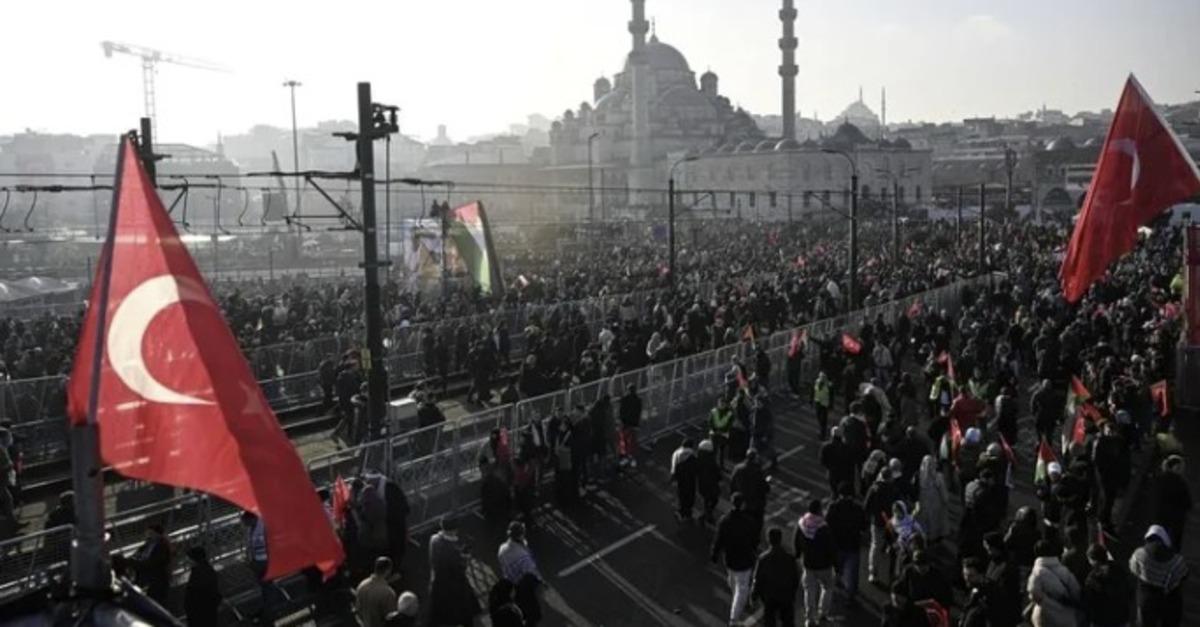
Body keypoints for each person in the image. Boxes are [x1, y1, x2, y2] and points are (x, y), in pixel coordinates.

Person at [711, 493, 760, 625]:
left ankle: (738, 603)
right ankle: (734, 618)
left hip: (730, 558)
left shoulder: (724, 521)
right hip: (744, 559)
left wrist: (714, 555)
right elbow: (755, 540)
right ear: (743, 504)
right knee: (742, 588)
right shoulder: (749, 521)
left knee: (733, 581)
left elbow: (718, 540)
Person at [1128, 525, 1188, 627]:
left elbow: (1133, 569)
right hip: (1167, 598)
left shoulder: (1139, 554)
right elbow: (1182, 576)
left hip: (1145, 595)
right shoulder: (1177, 561)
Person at [428, 517, 481, 627]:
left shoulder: (434, 539)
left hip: (439, 584)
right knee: (464, 611)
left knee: (446, 614)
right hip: (455, 586)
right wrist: (465, 557)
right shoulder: (453, 551)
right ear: (454, 530)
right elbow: (460, 569)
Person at [794, 498, 835, 627]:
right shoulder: (823, 527)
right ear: (819, 510)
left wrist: (798, 554)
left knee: (809, 591)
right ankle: (823, 613)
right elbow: (830, 546)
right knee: (827, 587)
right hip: (824, 564)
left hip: (808, 563)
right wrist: (835, 563)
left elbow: (796, 541)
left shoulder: (802, 523)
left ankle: (810, 618)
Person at [825, 483, 866, 608]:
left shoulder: (833, 507)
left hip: (837, 544)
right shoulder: (858, 508)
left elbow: (827, 524)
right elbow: (864, 525)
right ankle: (850, 597)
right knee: (852, 574)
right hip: (853, 544)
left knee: (837, 568)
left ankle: (836, 584)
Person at [1027, 539, 1081, 627]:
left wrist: (1047, 602)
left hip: (1046, 616)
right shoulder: (1064, 570)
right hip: (1067, 615)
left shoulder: (1037, 572)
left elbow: (1034, 594)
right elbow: (1076, 590)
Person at [751, 527, 799, 627]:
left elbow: (758, 580)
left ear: (769, 540)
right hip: (786, 595)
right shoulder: (790, 558)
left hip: (769, 597)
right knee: (788, 622)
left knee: (769, 622)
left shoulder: (763, 559)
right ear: (780, 539)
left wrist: (754, 596)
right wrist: (793, 593)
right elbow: (795, 578)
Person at [498, 521, 542, 625]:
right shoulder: (522, 555)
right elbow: (530, 571)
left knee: (522, 609)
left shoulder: (502, 549)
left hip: (512, 582)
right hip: (525, 585)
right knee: (533, 614)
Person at [1083, 544, 1131, 627]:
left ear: (1093, 560)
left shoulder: (1093, 577)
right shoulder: (1119, 569)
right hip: (1121, 618)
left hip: (1102, 620)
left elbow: (1089, 600)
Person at [1149, 455, 1191, 551]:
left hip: (1159, 517)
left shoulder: (1158, 479)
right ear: (1176, 467)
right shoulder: (1181, 483)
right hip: (1176, 520)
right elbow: (1187, 503)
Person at [128, 523, 172, 606]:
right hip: (148, 579)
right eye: (147, 533)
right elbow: (137, 555)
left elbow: (153, 563)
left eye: (151, 533)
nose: (148, 536)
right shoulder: (147, 545)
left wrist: (135, 563)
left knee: (156, 603)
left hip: (157, 580)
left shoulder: (162, 546)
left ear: (158, 534)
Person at [916, 455, 950, 542]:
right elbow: (943, 493)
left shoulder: (918, 476)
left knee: (925, 521)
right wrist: (946, 500)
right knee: (935, 521)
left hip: (923, 503)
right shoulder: (938, 477)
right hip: (935, 503)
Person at [184, 546, 221, 627]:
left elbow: (197, 593)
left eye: (189, 559)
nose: (187, 561)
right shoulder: (205, 570)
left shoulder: (200, 573)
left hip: (201, 613)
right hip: (205, 611)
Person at [356, 557, 399, 627]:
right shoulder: (388, 593)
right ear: (388, 570)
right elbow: (391, 618)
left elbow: (358, 610)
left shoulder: (362, 585)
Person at [671, 438, 699, 522]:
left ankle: (681, 512)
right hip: (690, 479)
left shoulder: (676, 453)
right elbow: (696, 467)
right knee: (690, 496)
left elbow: (673, 467)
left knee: (682, 496)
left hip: (681, 479)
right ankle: (688, 513)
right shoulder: (693, 454)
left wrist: (674, 477)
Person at [696, 438, 722, 524]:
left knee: (706, 501)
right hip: (712, 485)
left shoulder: (699, 460)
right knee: (714, 500)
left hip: (702, 485)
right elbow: (717, 473)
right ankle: (707, 515)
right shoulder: (711, 461)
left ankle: (706, 515)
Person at [618, 384, 642, 468]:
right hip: (633, 423)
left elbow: (621, 412)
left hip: (625, 424)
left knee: (624, 442)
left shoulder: (624, 399)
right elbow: (638, 412)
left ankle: (626, 458)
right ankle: (632, 458)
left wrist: (621, 420)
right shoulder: (638, 400)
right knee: (632, 442)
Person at [709, 397, 734, 469]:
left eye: (723, 404)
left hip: (723, 434)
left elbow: (730, 423)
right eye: (720, 403)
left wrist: (722, 431)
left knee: (722, 451)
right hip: (715, 434)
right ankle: (713, 465)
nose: (721, 405)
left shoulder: (729, 413)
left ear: (726, 404)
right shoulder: (714, 411)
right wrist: (716, 430)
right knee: (714, 450)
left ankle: (721, 465)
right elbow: (710, 422)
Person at [813, 371, 832, 440]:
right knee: (818, 417)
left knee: (823, 420)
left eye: (823, 377)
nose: (822, 378)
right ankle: (822, 429)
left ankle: (822, 434)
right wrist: (811, 400)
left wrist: (831, 405)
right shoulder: (816, 382)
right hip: (817, 402)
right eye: (821, 377)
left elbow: (831, 396)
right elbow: (814, 391)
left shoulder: (829, 385)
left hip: (824, 404)